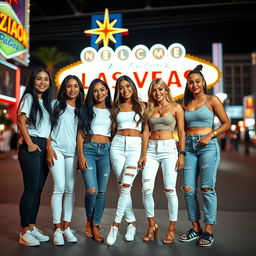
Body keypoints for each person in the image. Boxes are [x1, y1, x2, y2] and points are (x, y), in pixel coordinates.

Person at [179, 64, 230, 247]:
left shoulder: (212, 100)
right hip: (190, 147)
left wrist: (211, 134)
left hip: (208, 146)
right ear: (188, 84)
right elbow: (182, 130)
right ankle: (195, 227)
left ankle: (208, 230)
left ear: (203, 82)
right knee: (187, 189)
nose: (194, 85)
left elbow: (226, 123)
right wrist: (182, 152)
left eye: (197, 81)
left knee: (207, 188)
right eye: (191, 82)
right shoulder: (184, 104)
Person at [138, 79, 185, 244]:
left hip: (169, 149)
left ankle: (171, 229)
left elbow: (181, 131)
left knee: (169, 189)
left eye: (160, 90)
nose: (157, 93)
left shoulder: (176, 108)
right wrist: (143, 154)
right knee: (146, 189)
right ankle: (152, 225)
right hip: (151, 149)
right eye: (154, 90)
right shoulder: (149, 109)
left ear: (166, 90)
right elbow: (145, 132)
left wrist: (182, 154)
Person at [106, 75, 146, 246]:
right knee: (122, 187)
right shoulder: (115, 107)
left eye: (127, 86)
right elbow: (111, 129)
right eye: (121, 87)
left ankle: (114, 226)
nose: (125, 90)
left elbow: (146, 131)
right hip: (117, 146)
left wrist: (144, 154)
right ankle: (131, 224)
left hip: (135, 147)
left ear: (133, 87)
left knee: (126, 186)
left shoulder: (142, 106)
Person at [17, 67, 53, 246]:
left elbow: (47, 130)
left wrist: (47, 147)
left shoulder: (45, 103)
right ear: (32, 81)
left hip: (42, 146)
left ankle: (31, 227)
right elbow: (20, 120)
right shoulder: (29, 98)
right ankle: (24, 231)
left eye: (46, 79)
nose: (42, 82)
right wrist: (29, 143)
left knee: (38, 189)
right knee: (31, 188)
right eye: (39, 79)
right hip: (31, 145)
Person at [46, 75, 84, 245]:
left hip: (73, 153)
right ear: (64, 88)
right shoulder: (55, 104)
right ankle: (57, 230)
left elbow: (81, 134)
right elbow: (46, 126)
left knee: (70, 189)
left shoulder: (82, 109)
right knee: (59, 187)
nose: (72, 89)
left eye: (76, 86)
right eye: (69, 86)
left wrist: (80, 155)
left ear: (79, 89)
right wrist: (48, 147)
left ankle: (66, 227)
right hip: (56, 150)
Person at [77, 79, 112, 243]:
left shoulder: (113, 111)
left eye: (102, 89)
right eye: (95, 90)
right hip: (89, 150)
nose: (99, 93)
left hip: (106, 152)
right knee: (92, 190)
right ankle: (89, 220)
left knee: (101, 192)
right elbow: (80, 134)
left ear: (107, 91)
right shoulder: (86, 110)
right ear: (91, 93)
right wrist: (81, 156)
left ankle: (96, 225)